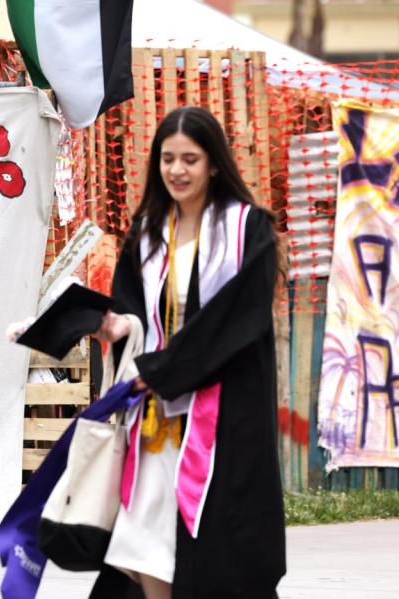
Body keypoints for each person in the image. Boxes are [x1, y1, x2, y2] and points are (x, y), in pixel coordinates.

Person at [90, 106, 286, 599]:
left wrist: (160, 371)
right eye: (168, 158)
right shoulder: (147, 234)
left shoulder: (247, 231)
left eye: (191, 159)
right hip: (158, 417)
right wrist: (118, 327)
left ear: (214, 164)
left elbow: (237, 320)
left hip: (223, 418)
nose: (177, 170)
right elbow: (134, 311)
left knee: (220, 548)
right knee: (144, 538)